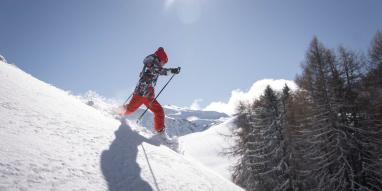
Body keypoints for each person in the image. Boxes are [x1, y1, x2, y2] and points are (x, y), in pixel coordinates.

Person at [122, 47, 180, 134]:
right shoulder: (152, 63)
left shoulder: (151, 62)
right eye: (164, 62)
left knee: (156, 111)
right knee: (133, 110)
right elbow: (158, 70)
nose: (163, 64)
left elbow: (152, 72)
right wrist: (172, 71)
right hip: (144, 93)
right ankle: (160, 132)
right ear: (161, 59)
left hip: (145, 93)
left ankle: (116, 112)